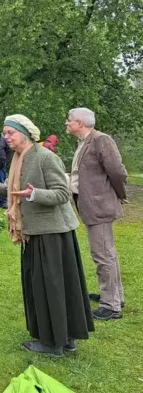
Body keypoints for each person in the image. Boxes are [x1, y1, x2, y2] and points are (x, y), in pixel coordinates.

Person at [0, 115, 93, 357]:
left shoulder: (45, 157)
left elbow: (62, 194)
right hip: (36, 232)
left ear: (25, 133)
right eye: (5, 133)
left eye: (11, 132)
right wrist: (0, 188)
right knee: (54, 287)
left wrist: (34, 195)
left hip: (51, 234)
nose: (7, 137)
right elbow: (19, 187)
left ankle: (53, 344)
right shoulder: (20, 158)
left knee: (51, 288)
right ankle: (65, 339)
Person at [66, 107, 128, 321]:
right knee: (107, 253)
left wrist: (119, 194)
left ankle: (110, 306)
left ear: (80, 123)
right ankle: (114, 296)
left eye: (70, 120)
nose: (67, 123)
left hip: (99, 207)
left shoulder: (101, 140)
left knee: (102, 255)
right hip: (92, 206)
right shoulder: (84, 143)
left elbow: (118, 171)